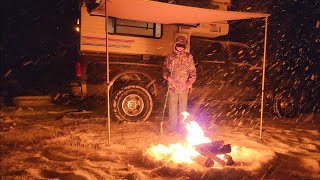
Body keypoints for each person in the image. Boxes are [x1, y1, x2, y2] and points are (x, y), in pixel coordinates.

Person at [163, 35, 196, 134]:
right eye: (178, 45)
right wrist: (168, 77)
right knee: (172, 109)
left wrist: (190, 82)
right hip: (173, 87)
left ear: (185, 46)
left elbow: (193, 72)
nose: (180, 47)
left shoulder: (189, 57)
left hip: (184, 88)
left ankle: (182, 129)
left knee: (183, 110)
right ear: (175, 45)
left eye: (182, 45)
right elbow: (164, 70)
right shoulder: (170, 57)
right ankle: (172, 129)